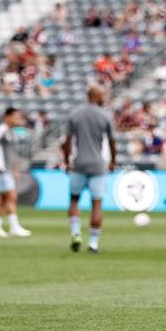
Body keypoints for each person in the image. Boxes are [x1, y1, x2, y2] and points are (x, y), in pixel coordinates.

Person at [61, 85, 116, 253]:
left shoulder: (75, 114)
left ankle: (76, 232)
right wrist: (113, 161)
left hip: (79, 164)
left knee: (74, 200)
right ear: (97, 96)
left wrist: (66, 161)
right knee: (97, 204)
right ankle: (93, 243)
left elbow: (67, 142)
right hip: (98, 165)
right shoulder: (105, 116)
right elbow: (113, 142)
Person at [0, 107, 32, 238]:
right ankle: (14, 227)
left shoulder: (9, 131)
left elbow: (10, 152)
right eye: (15, 116)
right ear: (7, 117)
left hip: (6, 168)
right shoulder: (1, 130)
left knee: (1, 199)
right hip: (1, 169)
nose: (18, 119)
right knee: (11, 197)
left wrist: (15, 168)